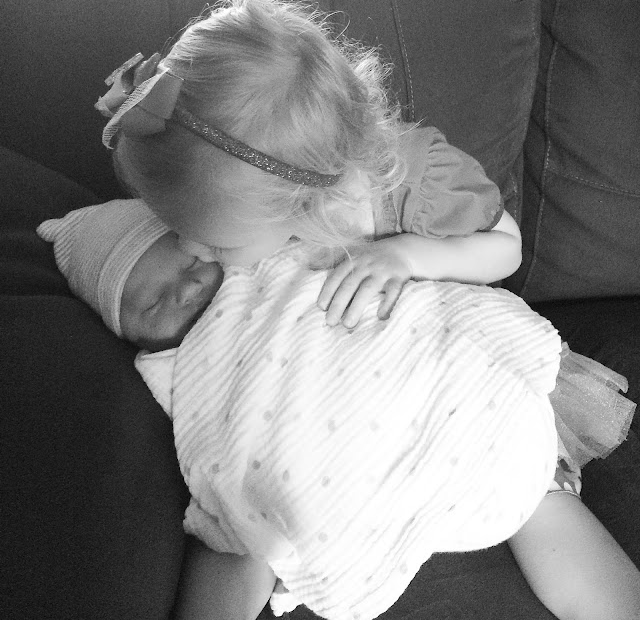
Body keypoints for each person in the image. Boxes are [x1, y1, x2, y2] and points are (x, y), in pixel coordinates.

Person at [38, 199, 640, 620]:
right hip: (317, 467)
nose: (188, 287)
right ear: (130, 337)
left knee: (528, 482)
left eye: (190, 262)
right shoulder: (170, 366)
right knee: (237, 527)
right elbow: (214, 443)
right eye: (153, 303)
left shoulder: (277, 251)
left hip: (429, 383)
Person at [94, 0, 523, 332]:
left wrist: (407, 255)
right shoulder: (246, 188)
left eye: (218, 245)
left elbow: (507, 248)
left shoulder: (422, 183)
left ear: (306, 203)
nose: (188, 249)